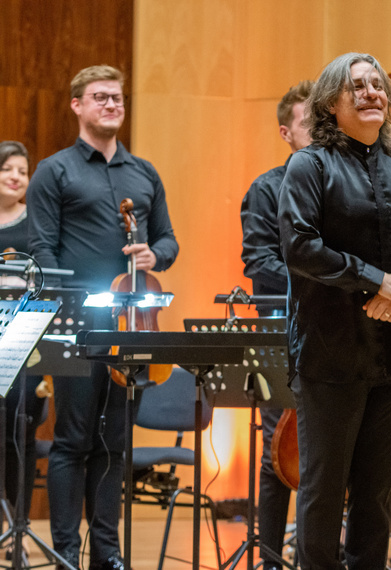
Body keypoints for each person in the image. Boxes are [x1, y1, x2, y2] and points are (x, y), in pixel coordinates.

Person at [278, 52, 391, 569]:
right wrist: (377, 279)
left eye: (377, 85)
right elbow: (300, 247)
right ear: (331, 103)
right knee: (323, 492)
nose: (372, 92)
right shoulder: (309, 165)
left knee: (378, 498)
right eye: (357, 86)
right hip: (329, 355)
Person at [27, 65, 179, 570]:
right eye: (100, 97)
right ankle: (68, 550)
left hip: (132, 324)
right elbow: (41, 249)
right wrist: (66, 296)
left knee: (115, 441)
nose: (111, 105)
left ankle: (107, 554)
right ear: (77, 105)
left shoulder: (145, 173)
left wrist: (154, 257)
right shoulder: (56, 170)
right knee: (72, 439)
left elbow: (169, 240)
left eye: (117, 98)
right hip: (76, 324)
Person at [240, 79, 313, 570]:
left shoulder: (347, 181)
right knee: (278, 446)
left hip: (341, 333)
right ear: (286, 132)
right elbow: (258, 262)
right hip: (283, 329)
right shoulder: (268, 188)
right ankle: (269, 559)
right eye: (311, 123)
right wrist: (325, 273)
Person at [0, 140, 47, 560]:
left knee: (21, 435)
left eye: (22, 171)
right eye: (7, 169)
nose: (16, 177)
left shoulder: (35, 227)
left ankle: (18, 528)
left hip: (23, 343)